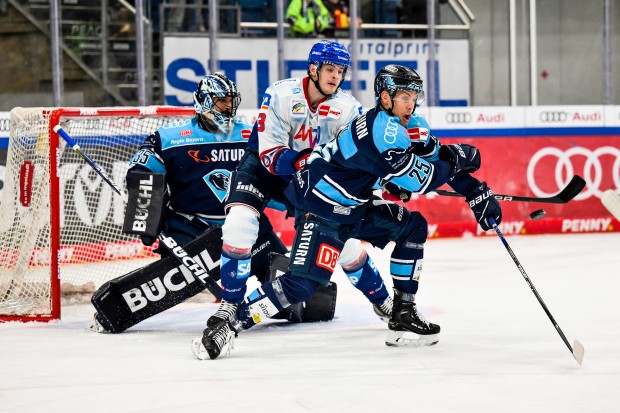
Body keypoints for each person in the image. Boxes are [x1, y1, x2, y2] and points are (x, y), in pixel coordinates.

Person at [192, 64, 502, 359]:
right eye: (404, 97)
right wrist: (458, 160)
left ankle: (403, 312)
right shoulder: (379, 132)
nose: (411, 104)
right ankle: (231, 322)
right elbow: (423, 178)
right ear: (385, 97)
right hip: (320, 208)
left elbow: (433, 155)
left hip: (355, 206)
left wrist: (474, 190)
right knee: (302, 284)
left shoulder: (407, 125)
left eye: (414, 97)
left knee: (413, 227)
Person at [90, 73, 319, 333]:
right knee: (164, 284)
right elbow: (141, 172)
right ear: (204, 101)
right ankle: (113, 310)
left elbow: (273, 176)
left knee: (308, 301)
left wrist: (298, 205)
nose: (228, 108)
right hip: (190, 228)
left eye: (231, 102)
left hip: (246, 225)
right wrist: (145, 216)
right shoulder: (169, 138)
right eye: (222, 101)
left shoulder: (250, 135)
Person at [205, 40, 396, 333]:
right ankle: (230, 303)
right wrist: (308, 161)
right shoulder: (280, 93)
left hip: (311, 179)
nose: (335, 75)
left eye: (340, 70)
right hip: (263, 171)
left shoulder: (348, 109)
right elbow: (270, 155)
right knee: (239, 223)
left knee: (343, 243)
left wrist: (388, 180)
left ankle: (383, 300)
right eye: (329, 68)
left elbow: (363, 158)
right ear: (313, 69)